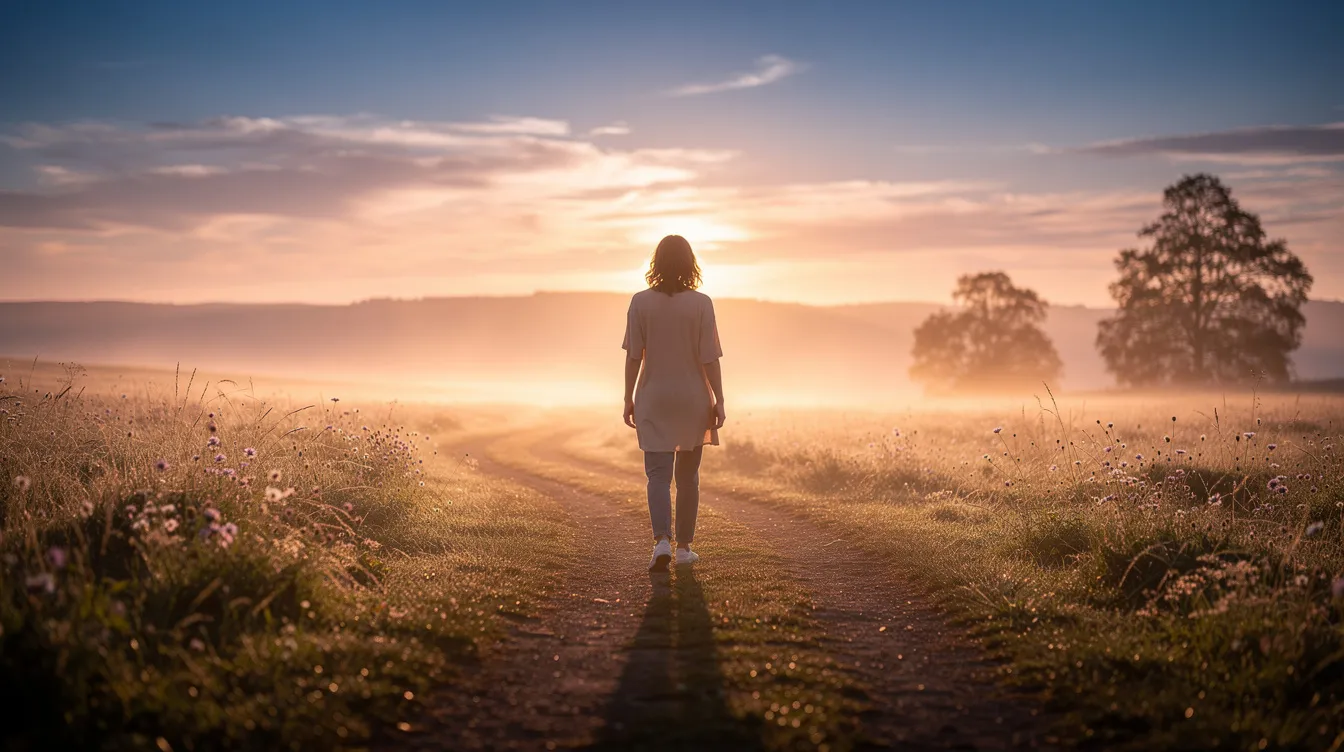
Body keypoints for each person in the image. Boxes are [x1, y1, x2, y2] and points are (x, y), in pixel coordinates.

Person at [622, 235, 726, 572]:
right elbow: (710, 359)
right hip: (692, 398)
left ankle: (661, 542)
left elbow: (634, 357)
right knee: (688, 477)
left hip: (653, 397)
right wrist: (720, 399)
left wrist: (628, 397)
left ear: (656, 263)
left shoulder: (639, 302)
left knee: (657, 476)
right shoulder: (701, 303)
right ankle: (683, 548)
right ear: (689, 264)